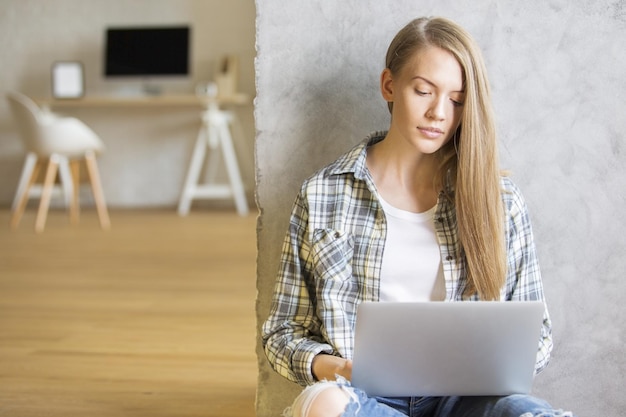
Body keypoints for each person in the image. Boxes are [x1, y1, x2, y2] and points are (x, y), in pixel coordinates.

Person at [262, 16, 576, 417]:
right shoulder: (324, 193)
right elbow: (283, 332)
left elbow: (540, 337)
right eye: (424, 91)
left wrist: (489, 367)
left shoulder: (501, 201)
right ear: (389, 86)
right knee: (324, 404)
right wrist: (336, 367)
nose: (438, 113)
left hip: (466, 399)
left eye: (457, 100)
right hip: (366, 395)